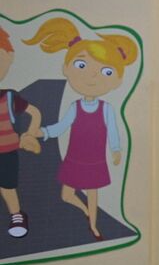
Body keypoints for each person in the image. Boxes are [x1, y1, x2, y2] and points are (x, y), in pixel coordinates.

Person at [24, 17, 139, 240]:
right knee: (67, 195)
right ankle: (86, 212)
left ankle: (94, 227)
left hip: (95, 159)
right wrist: (43, 132)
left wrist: (115, 150)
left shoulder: (106, 108)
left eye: (106, 72)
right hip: (74, 159)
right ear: (67, 68)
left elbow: (113, 130)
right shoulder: (75, 107)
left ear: (116, 80)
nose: (92, 76)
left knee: (93, 194)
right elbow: (61, 126)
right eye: (81, 65)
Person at [0, 24, 43, 238]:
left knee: (8, 186)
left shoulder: (9, 97)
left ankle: (16, 214)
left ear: (8, 57)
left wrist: (29, 133)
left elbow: (34, 113)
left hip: (6, 152)